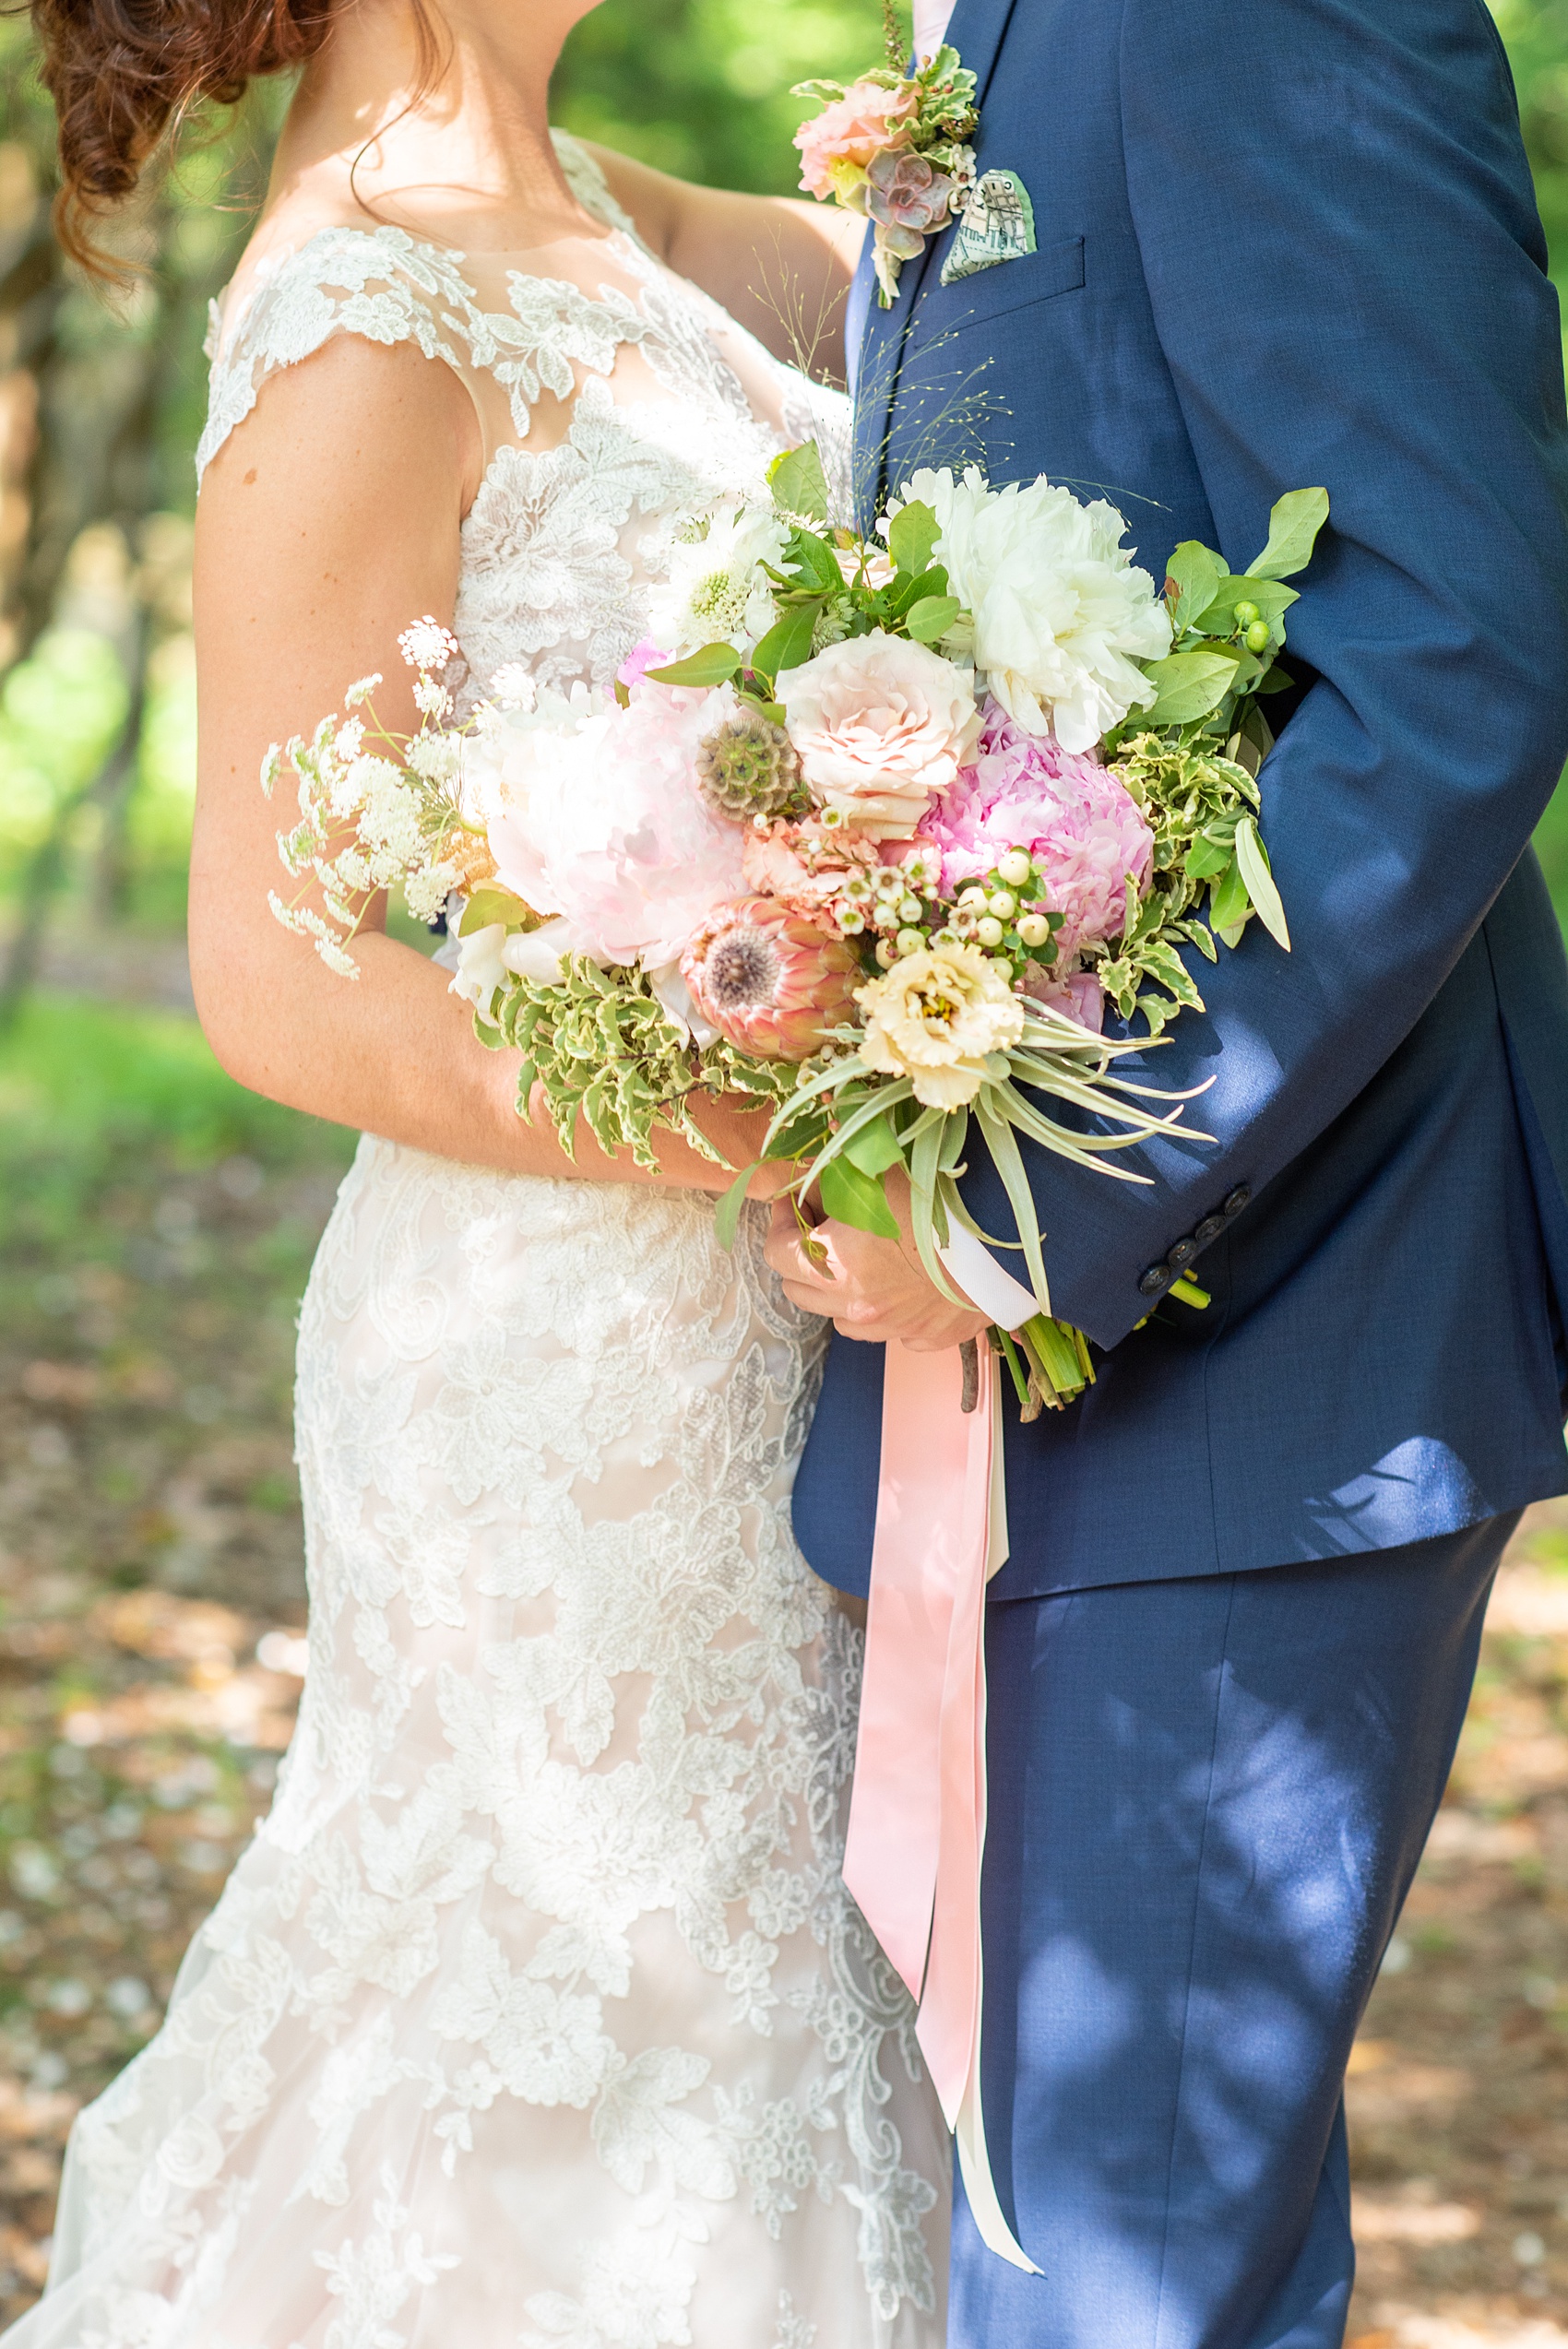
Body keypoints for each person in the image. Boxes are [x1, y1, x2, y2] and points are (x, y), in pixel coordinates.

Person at [3, 0, 952, 2341]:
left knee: (802, 1994)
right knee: (614, 2003)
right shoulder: (355, 302)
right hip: (563, 1362)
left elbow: (1008, 257)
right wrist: (804, 1128)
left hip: (798, 1299)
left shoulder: (624, 216)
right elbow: (285, 978)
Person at [767, 0, 1568, 2343]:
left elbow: (1444, 651)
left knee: (1107, 2294)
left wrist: (1019, 1207)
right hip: (1067, 1384)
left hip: (1270, 1317)